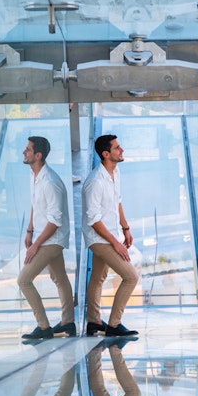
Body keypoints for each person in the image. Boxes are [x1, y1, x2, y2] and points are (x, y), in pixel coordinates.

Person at [18, 136, 75, 340]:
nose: (24, 152)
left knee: (24, 280)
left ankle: (43, 327)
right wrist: (29, 231)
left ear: (38, 155)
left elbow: (55, 221)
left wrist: (36, 246)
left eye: (27, 150)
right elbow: (36, 204)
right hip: (43, 235)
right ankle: (68, 323)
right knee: (59, 278)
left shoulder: (51, 182)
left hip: (52, 239)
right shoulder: (34, 176)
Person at [82, 134, 139, 338]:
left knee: (98, 278)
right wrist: (116, 244)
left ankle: (94, 322)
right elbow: (94, 221)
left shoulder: (116, 172)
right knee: (131, 276)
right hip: (99, 239)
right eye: (117, 148)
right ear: (106, 154)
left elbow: (117, 201)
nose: (121, 150)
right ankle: (114, 325)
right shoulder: (95, 182)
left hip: (112, 234)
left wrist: (125, 228)